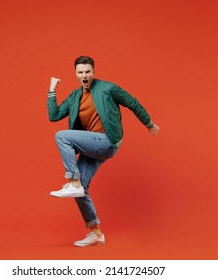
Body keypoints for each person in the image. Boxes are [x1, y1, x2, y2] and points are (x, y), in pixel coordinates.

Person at [47, 55, 159, 247]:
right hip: (93, 147)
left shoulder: (108, 88)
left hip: (107, 141)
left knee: (61, 136)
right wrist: (51, 91)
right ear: (75, 74)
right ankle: (96, 233)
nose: (84, 75)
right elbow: (54, 115)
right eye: (80, 72)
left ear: (93, 72)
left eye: (88, 72)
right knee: (81, 190)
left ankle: (72, 180)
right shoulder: (75, 97)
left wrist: (149, 123)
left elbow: (132, 102)